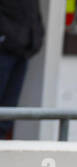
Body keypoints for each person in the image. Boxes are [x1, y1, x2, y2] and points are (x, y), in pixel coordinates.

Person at [0, 0, 45, 140]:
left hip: (21, 50)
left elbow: (32, 13)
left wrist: (36, 37)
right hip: (4, 49)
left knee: (8, 113)